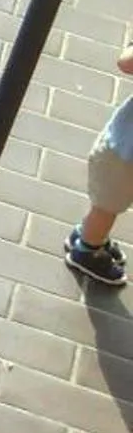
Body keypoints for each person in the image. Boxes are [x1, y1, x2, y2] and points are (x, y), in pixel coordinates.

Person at [64, 41, 133, 286]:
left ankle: (88, 236)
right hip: (124, 157)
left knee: (105, 208)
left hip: (123, 150)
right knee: (106, 208)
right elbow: (127, 62)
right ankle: (87, 250)